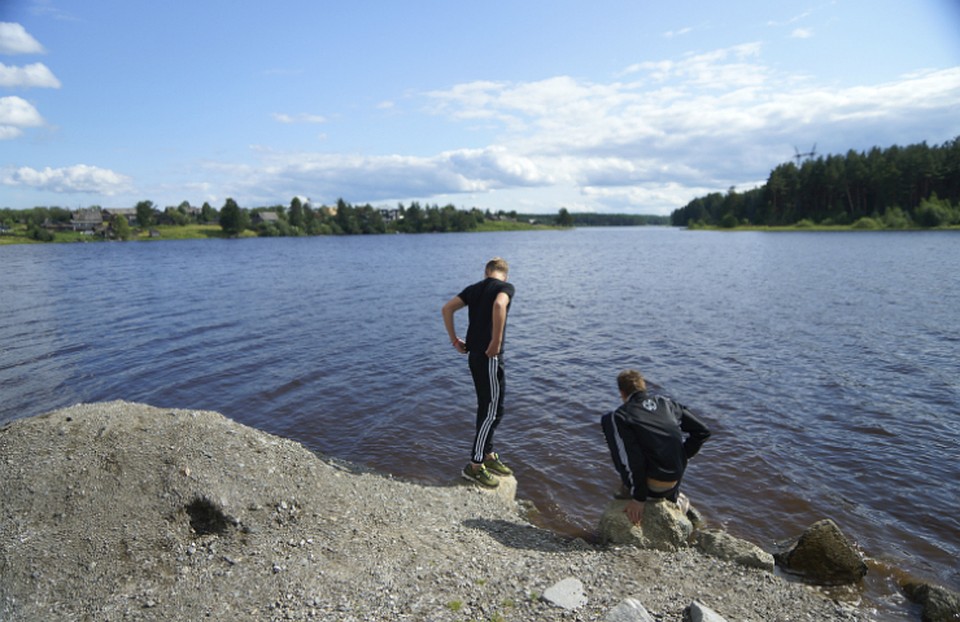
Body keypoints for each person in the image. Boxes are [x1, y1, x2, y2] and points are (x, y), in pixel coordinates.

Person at [601, 369, 711, 525]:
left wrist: (638, 498)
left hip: (650, 488)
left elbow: (630, 458)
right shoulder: (667, 403)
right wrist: (682, 456)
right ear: (643, 387)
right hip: (674, 482)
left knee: (623, 450)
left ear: (622, 393)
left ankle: (632, 496)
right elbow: (702, 431)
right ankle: (674, 499)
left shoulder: (618, 417)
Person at [441, 257, 515, 488]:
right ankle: (475, 465)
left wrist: (454, 340)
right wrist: (496, 341)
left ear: (486, 272)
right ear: (505, 274)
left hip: (474, 356)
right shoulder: (505, 288)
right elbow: (499, 305)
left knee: (486, 405)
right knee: (494, 410)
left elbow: (447, 308)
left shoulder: (473, 289)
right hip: (489, 356)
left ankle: (488, 454)